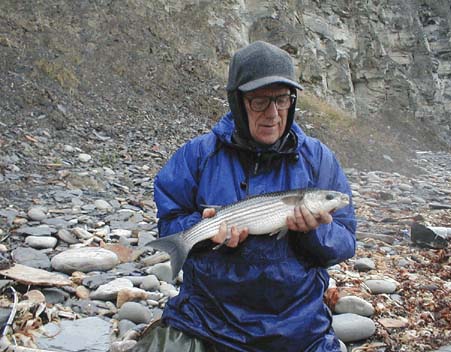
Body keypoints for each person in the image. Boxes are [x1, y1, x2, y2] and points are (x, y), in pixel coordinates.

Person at [134, 41, 357, 352]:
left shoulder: (318, 159)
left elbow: (345, 242)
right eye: (259, 102)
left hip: (298, 328)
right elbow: (170, 222)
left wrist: (314, 231)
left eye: (281, 100)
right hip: (207, 321)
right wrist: (206, 232)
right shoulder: (198, 156)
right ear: (237, 101)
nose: (273, 114)